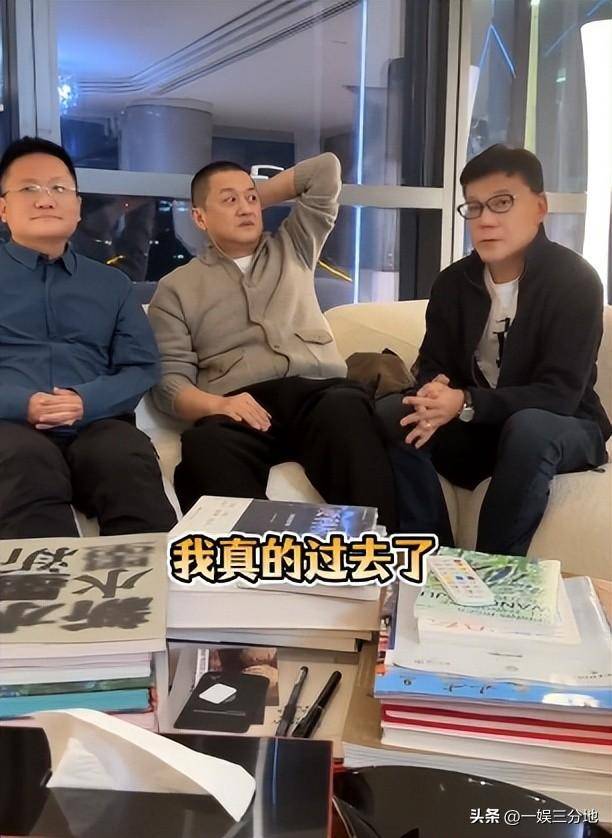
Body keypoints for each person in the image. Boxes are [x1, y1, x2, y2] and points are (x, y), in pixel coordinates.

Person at [378, 144, 610, 556]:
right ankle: (435, 560)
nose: (485, 220)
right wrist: (433, 393)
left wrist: (465, 402)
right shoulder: (453, 283)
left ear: (539, 207)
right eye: (474, 207)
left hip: (563, 425)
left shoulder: (575, 281)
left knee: (529, 428)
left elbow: (559, 395)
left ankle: (494, 572)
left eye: (502, 203)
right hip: (481, 431)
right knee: (396, 413)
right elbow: (433, 362)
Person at [148, 153, 398, 530]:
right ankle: (263, 556)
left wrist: (250, 199)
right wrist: (220, 404)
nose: (246, 208)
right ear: (199, 218)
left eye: (250, 198)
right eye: (229, 200)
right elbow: (169, 385)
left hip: (318, 393)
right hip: (240, 405)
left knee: (347, 412)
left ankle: (378, 546)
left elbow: (325, 170)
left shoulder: (294, 244)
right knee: (205, 447)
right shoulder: (175, 289)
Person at [0, 136, 177, 538]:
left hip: (96, 423)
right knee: (23, 462)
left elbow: (140, 366)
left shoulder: (112, 284)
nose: (46, 199)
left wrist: (85, 401)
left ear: (78, 207)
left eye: (59, 188)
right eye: (29, 189)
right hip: (9, 426)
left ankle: (154, 576)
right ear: (3, 208)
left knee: (125, 458)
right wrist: (22, 404)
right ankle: (46, 578)